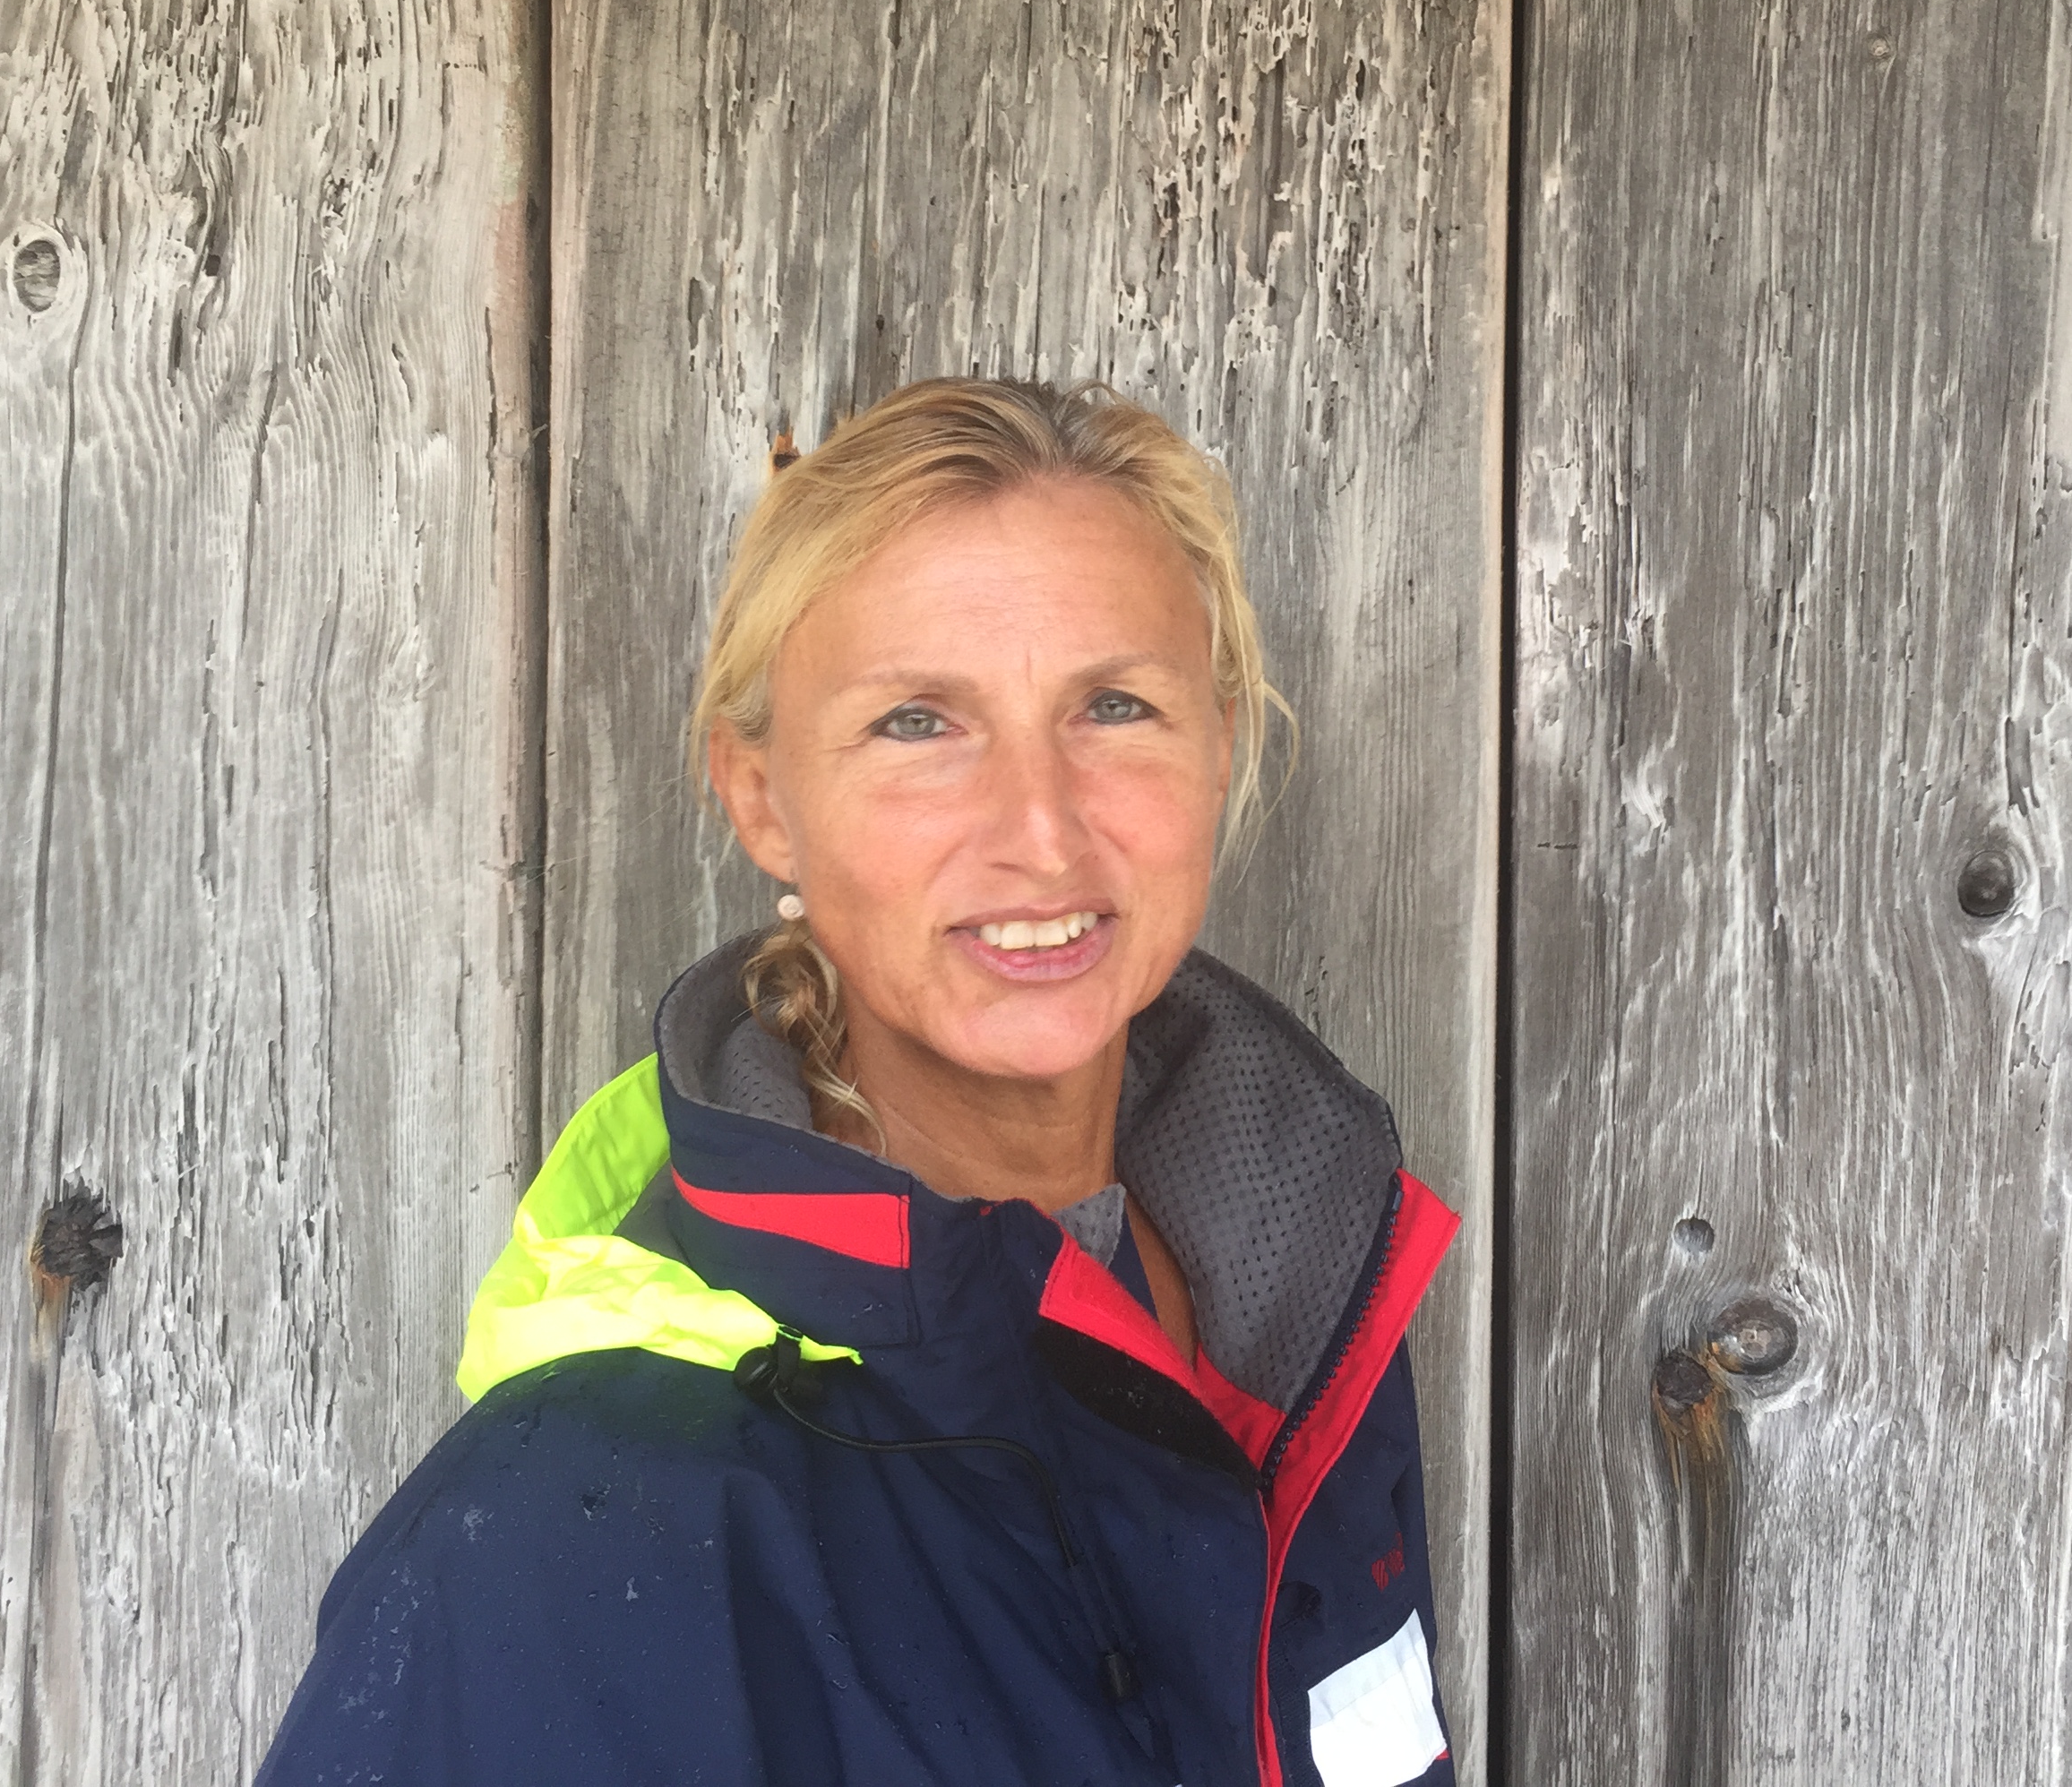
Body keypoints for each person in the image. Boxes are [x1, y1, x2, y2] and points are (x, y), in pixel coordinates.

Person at [256, 378, 1460, 1787]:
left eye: (1115, 706)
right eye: (918, 724)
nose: (1041, 830)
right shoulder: (574, 1530)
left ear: (1219, 746)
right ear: (762, 797)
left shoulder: (1310, 1296)